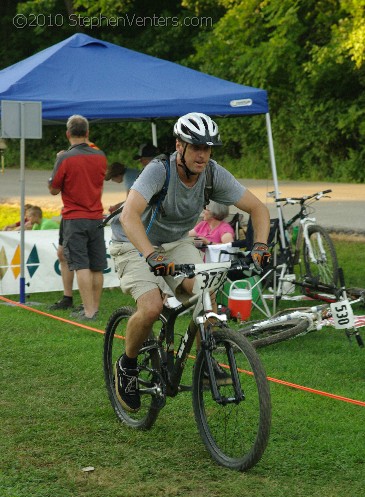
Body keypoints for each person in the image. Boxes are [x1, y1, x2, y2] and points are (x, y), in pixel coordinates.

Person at [109, 112, 271, 413]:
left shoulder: (212, 174)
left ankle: (208, 364)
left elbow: (258, 209)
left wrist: (260, 245)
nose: (202, 155)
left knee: (204, 293)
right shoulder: (159, 171)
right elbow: (128, 216)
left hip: (176, 242)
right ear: (179, 146)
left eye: (208, 148)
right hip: (133, 242)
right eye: (196, 147)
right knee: (152, 307)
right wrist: (151, 255)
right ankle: (127, 366)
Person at [48, 114, 107, 321]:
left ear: (68, 133)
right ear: (87, 133)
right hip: (97, 217)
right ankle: (95, 308)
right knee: (97, 265)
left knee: (81, 264)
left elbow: (53, 189)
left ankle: (89, 311)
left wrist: (58, 160)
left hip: (75, 217)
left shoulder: (65, 158)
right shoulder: (100, 156)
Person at [106, 143, 158, 213]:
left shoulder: (128, 178)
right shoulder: (131, 172)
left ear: (117, 175)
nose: (140, 161)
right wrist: (117, 206)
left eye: (141, 159)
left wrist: (116, 209)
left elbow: (129, 203)